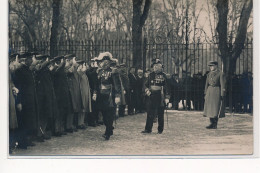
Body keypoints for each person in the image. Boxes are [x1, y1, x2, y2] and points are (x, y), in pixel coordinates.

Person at [94, 52, 121, 140]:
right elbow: (97, 84)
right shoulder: (99, 71)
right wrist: (95, 93)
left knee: (109, 114)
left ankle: (107, 133)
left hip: (110, 95)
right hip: (102, 95)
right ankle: (109, 128)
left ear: (109, 62)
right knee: (104, 114)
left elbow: (117, 84)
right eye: (102, 61)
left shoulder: (113, 71)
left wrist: (117, 95)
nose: (104, 63)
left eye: (106, 61)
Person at [141, 58, 172, 134]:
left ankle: (160, 129)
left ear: (161, 67)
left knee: (160, 113)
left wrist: (167, 98)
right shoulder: (150, 75)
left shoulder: (164, 76)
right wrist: (147, 90)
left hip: (160, 95)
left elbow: (167, 87)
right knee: (150, 113)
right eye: (154, 66)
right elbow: (145, 85)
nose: (155, 68)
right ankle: (148, 129)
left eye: (157, 66)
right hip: (151, 95)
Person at [203, 61, 226, 129]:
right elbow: (206, 84)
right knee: (210, 109)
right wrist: (205, 93)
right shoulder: (209, 74)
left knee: (215, 109)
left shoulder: (220, 74)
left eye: (212, 66)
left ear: (216, 66)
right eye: (210, 66)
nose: (211, 67)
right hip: (210, 91)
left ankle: (215, 124)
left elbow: (222, 84)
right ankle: (211, 123)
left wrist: (222, 94)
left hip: (216, 91)